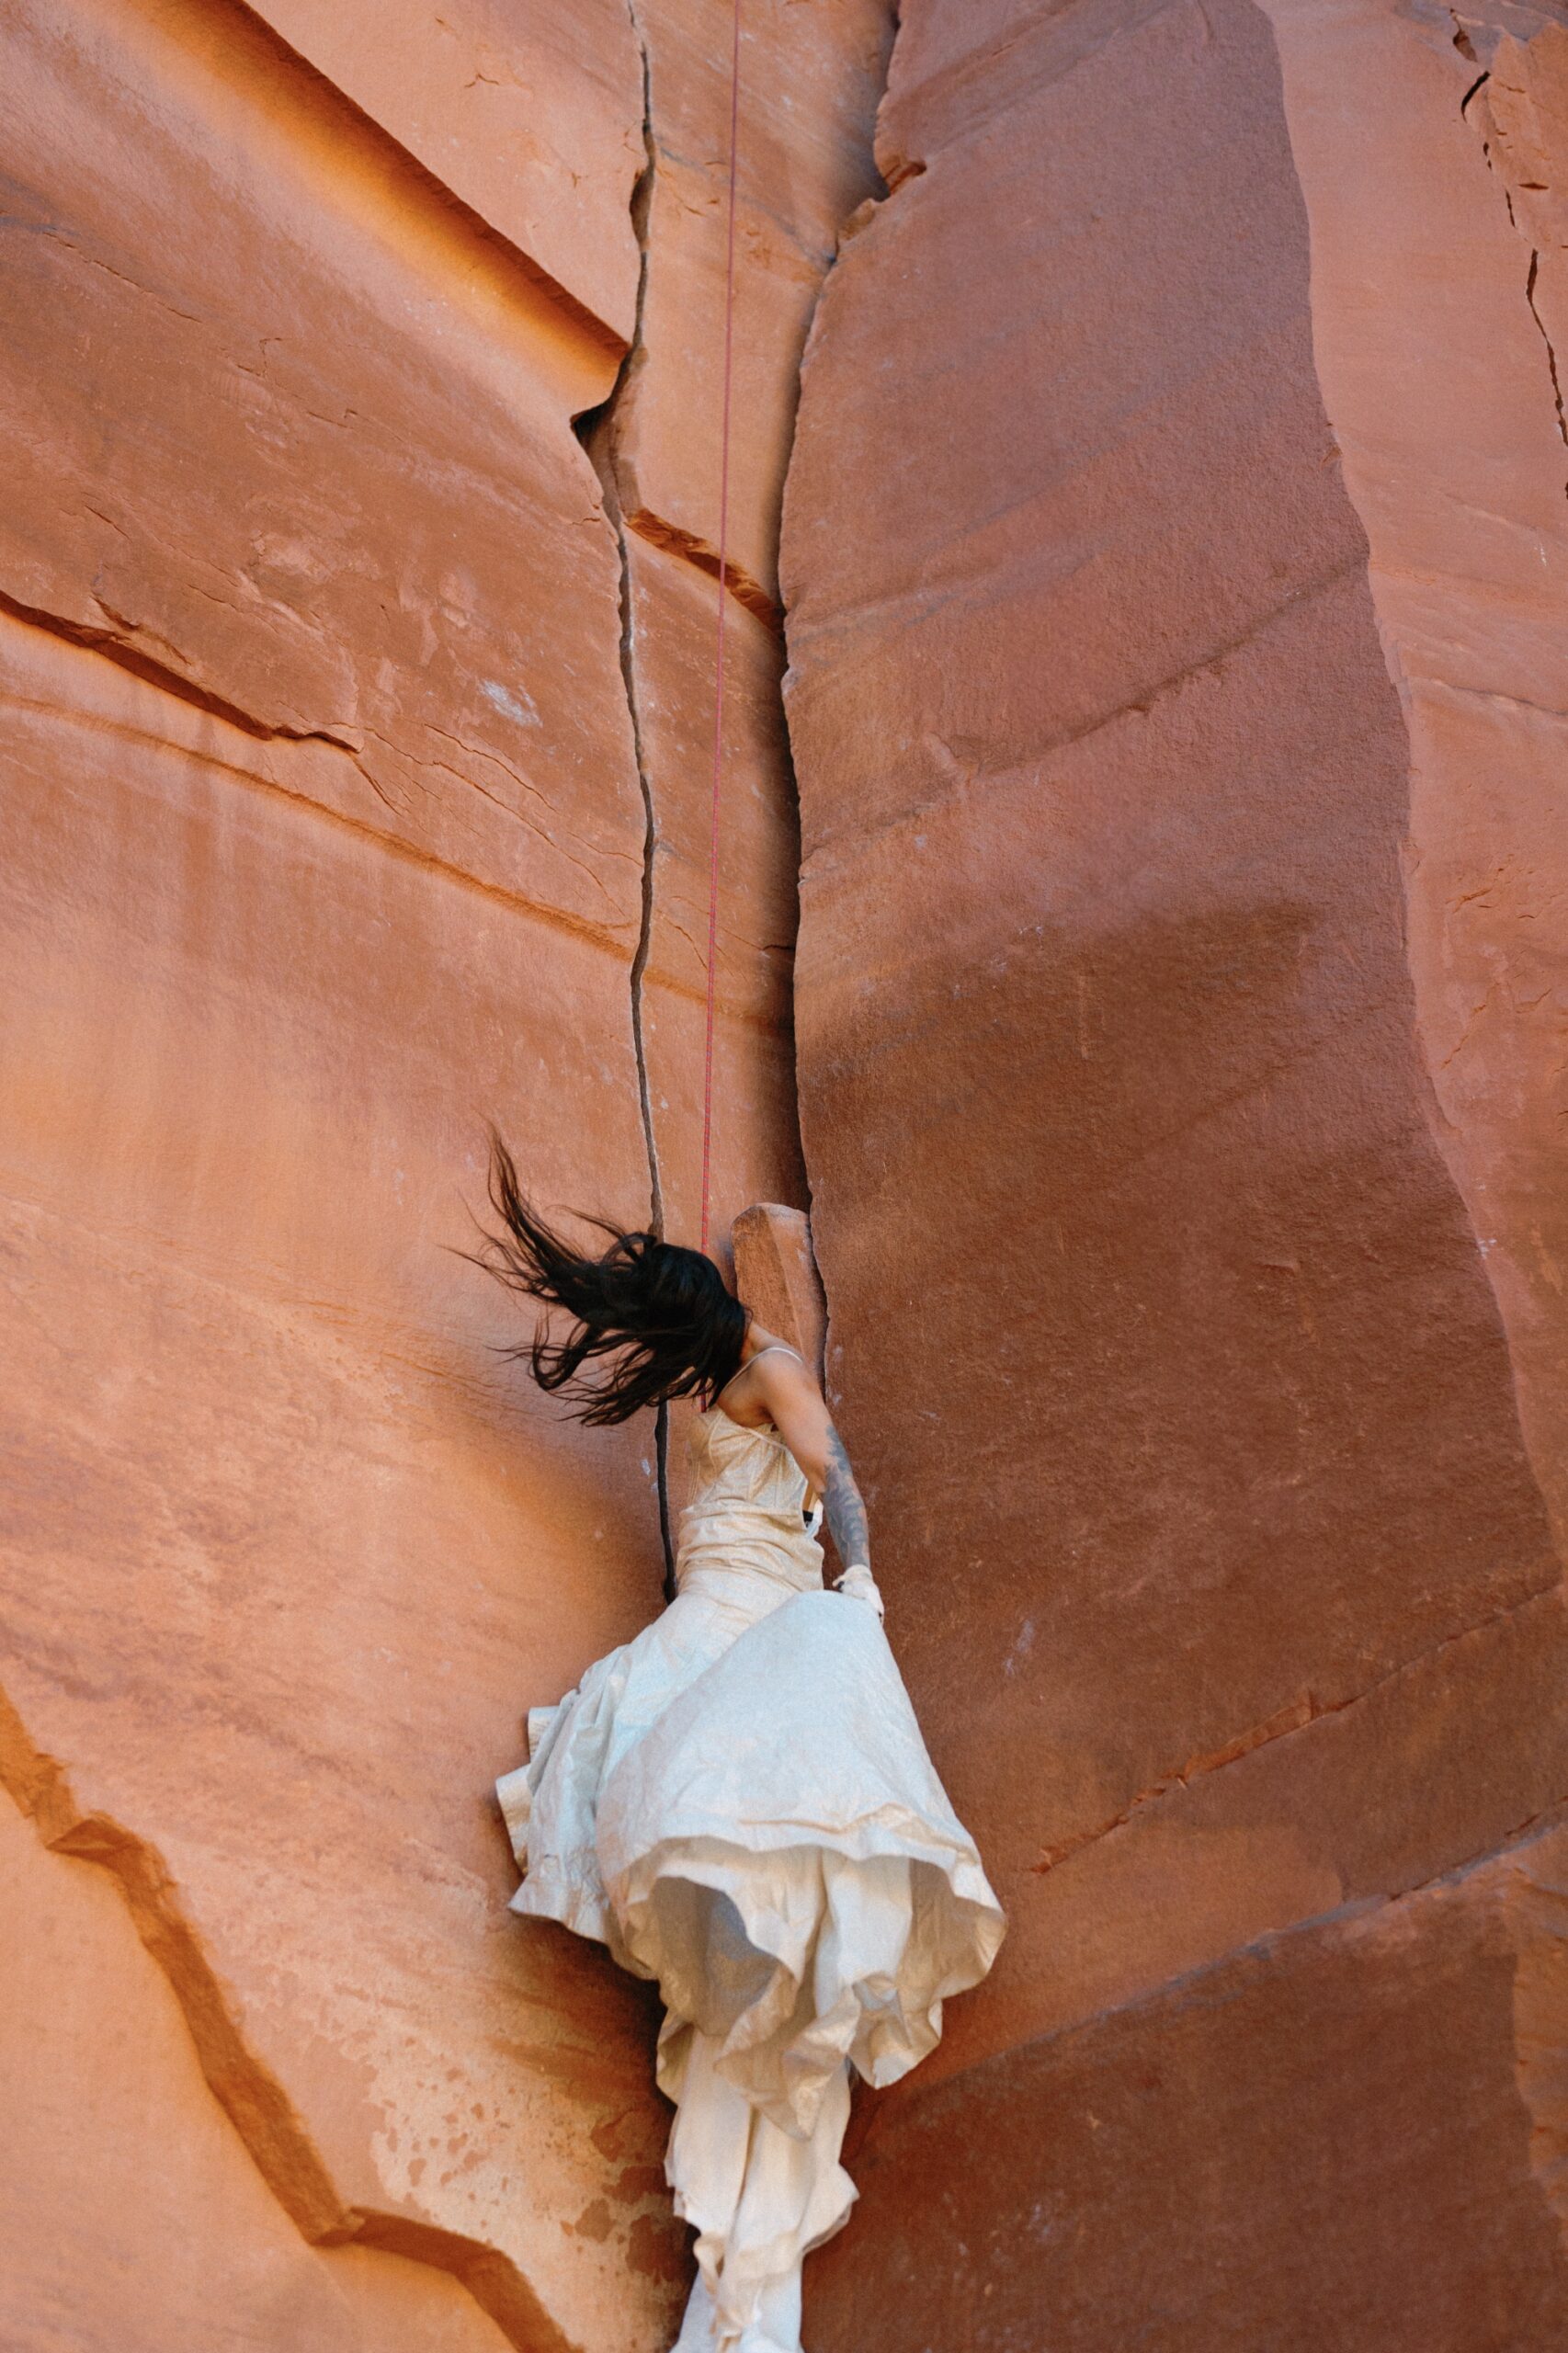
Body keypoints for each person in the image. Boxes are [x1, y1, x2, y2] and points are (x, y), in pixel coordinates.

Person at [478, 1137, 1004, 2353]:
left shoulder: (763, 1368)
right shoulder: (702, 1380)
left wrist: (859, 1591)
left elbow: (840, 1479)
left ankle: (754, 1992)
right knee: (625, 1735)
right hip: (706, 1607)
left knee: (704, 1777)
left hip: (757, 1616)